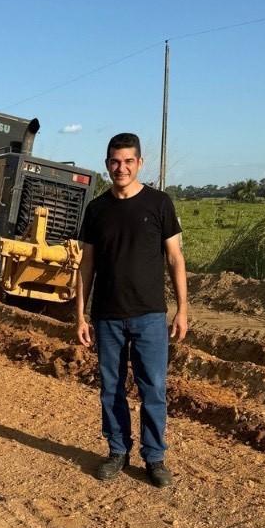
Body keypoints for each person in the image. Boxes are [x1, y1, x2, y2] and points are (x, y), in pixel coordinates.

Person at [76, 133, 188, 486]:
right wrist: (79, 314)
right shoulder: (96, 209)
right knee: (111, 388)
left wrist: (183, 309)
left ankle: (154, 458)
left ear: (140, 163)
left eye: (128, 161)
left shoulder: (159, 204)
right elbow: (86, 266)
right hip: (107, 316)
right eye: (114, 161)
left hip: (150, 315)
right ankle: (117, 451)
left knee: (153, 387)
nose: (120, 168)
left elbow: (175, 258)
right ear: (106, 163)